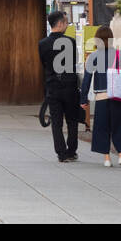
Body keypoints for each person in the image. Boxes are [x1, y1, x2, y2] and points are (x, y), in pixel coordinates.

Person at [80, 25, 121, 167]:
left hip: (101, 96)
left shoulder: (93, 56)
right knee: (119, 125)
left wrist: (83, 99)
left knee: (102, 127)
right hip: (118, 96)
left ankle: (107, 158)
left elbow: (87, 80)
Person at [38, 11, 80, 162]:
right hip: (69, 85)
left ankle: (61, 154)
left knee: (56, 122)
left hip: (52, 85)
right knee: (72, 120)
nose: (67, 25)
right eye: (66, 22)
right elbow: (74, 62)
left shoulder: (42, 44)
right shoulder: (70, 41)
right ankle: (72, 151)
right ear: (60, 23)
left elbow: (44, 64)